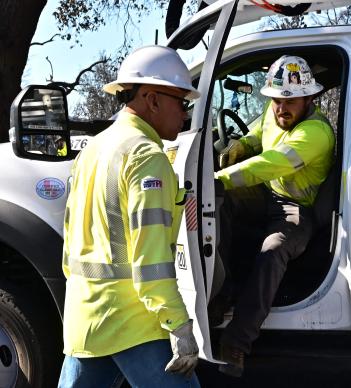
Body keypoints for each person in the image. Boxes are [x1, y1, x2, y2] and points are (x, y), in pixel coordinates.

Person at [58, 45, 201, 387]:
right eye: (182, 102)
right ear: (152, 100)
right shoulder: (147, 157)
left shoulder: (93, 149)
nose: (185, 114)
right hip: (133, 323)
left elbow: (69, 242)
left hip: (86, 319)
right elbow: (150, 262)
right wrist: (179, 326)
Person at [213, 55, 335, 377]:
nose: (281, 108)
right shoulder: (275, 112)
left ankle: (236, 343)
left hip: (296, 208)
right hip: (265, 194)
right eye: (276, 100)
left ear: (309, 98)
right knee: (217, 202)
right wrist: (241, 145)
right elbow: (259, 134)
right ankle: (220, 293)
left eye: (290, 100)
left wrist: (218, 178)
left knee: (274, 249)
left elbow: (271, 162)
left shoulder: (317, 133)